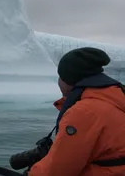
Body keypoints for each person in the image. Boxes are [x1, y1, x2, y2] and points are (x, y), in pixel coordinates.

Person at [27, 47, 125, 176]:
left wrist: (31, 172)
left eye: (61, 77)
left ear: (70, 79)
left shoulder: (84, 112)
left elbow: (58, 171)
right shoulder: (116, 96)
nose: (59, 82)